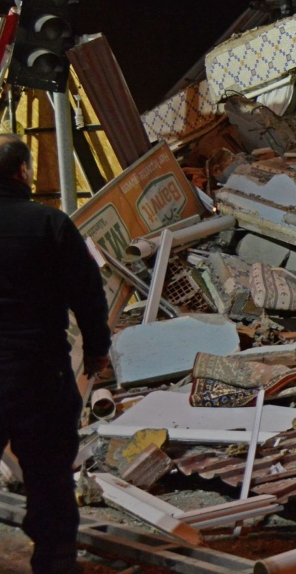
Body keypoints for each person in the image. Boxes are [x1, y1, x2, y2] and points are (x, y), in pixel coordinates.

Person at [0, 134, 110, 574]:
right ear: (23, 171)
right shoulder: (51, 224)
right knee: (48, 476)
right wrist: (98, 349)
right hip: (37, 374)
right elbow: (88, 294)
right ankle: (56, 561)